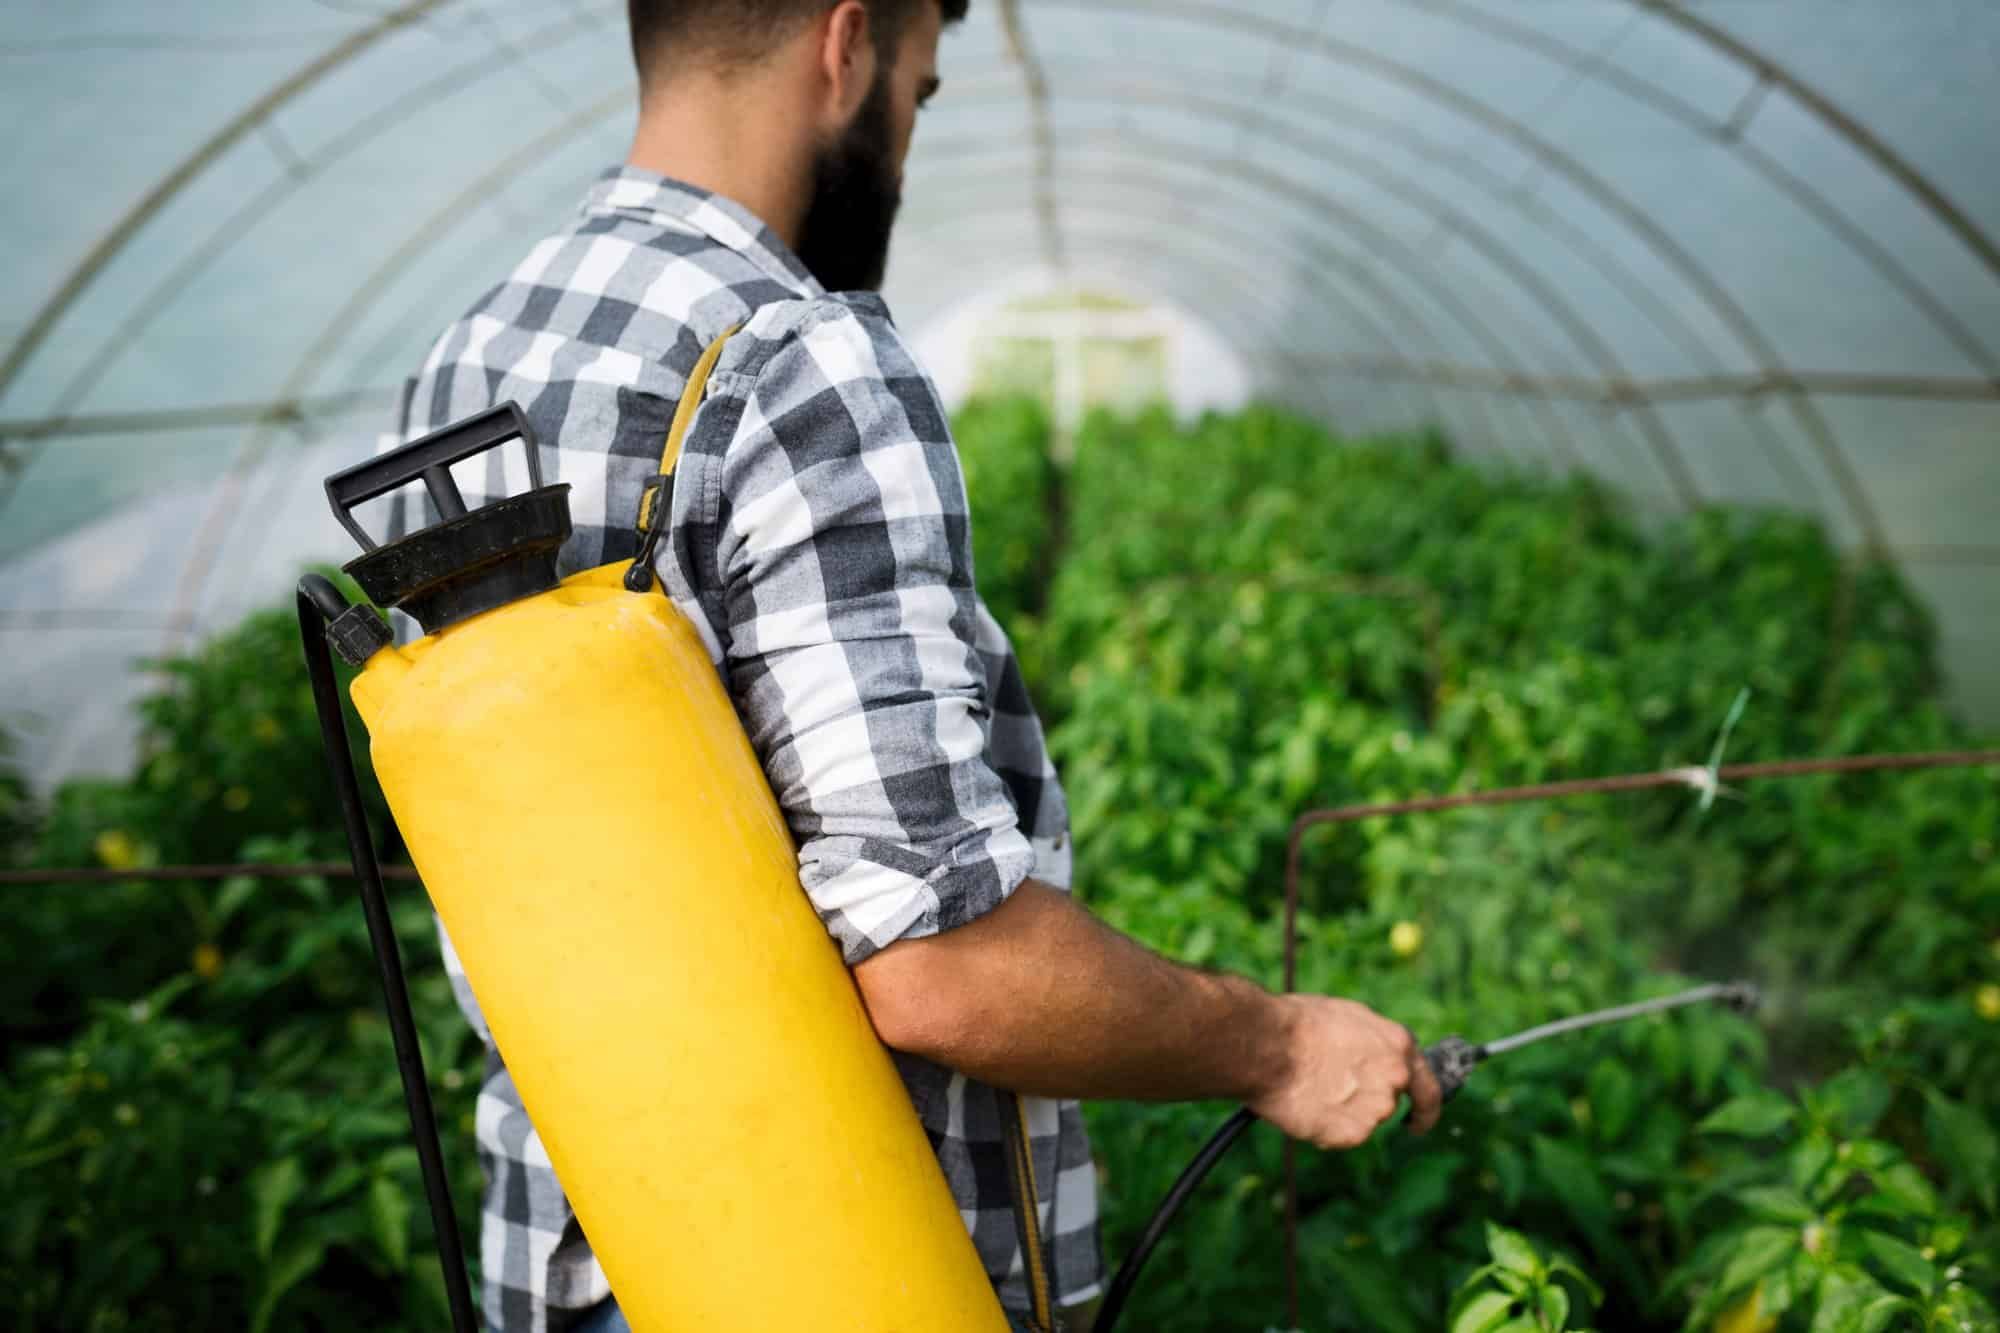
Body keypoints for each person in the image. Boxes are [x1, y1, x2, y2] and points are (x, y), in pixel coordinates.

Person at [384, 1, 1443, 1329]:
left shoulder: (473, 356)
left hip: (573, 1252)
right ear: (845, 47)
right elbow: (936, 961)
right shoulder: (799, 356)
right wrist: (1275, 1041)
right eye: (920, 96)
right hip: (832, 1265)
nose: (907, 145)